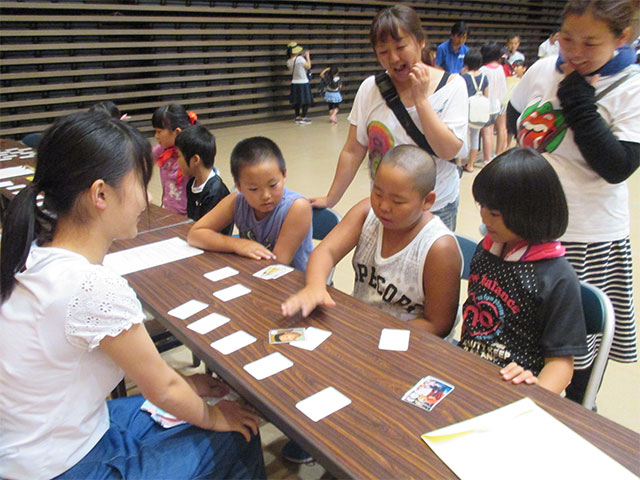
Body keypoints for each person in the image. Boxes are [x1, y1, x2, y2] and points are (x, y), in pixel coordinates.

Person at [0, 112, 265, 479]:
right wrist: (214, 417)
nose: (148, 197)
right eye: (141, 183)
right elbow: (165, 388)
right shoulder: (91, 286)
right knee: (239, 434)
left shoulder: (30, 253)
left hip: (42, 443)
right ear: (100, 194)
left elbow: (161, 381)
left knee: (191, 403)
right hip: (64, 466)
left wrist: (187, 386)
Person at [508, 0, 639, 404]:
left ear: (623, 38)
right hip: (527, 230)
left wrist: (580, 102)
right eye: (566, 38)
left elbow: (617, 166)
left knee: (574, 362)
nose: (574, 51)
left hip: (586, 239)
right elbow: (515, 120)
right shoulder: (543, 69)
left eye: (590, 42)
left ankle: (576, 426)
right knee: (523, 348)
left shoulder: (631, 86)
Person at [310, 5, 468, 232]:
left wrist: (421, 100)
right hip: (384, 207)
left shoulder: (452, 87)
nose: (393, 58)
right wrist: (331, 198)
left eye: (401, 46)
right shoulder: (370, 89)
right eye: (383, 51)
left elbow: (448, 151)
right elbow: (354, 149)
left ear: (420, 41)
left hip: (435, 208)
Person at [283, 145, 462, 339]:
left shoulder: (439, 248)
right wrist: (315, 286)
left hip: (409, 342)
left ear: (427, 201)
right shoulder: (365, 213)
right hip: (362, 328)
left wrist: (375, 331)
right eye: (377, 193)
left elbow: (438, 324)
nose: (383, 206)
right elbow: (326, 252)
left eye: (398, 201)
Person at [459, 148, 587, 394]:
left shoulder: (556, 277)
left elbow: (561, 365)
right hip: (470, 372)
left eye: (494, 213)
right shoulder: (487, 250)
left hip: (516, 387)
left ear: (530, 212)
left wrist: (536, 391)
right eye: (482, 207)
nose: (484, 218)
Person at [188, 136, 313, 272]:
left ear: (284, 175)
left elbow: (276, 265)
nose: (266, 195)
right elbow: (195, 234)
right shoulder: (236, 201)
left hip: (290, 283)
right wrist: (237, 244)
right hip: (253, 275)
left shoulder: (297, 207)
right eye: (253, 189)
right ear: (239, 186)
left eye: (273, 185)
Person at [175, 124, 232, 227]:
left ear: (195, 160)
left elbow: (210, 231)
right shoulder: (191, 184)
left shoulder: (215, 193)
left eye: (179, 156)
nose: (177, 161)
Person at [151, 103, 195, 215]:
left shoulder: (191, 154)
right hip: (169, 211)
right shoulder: (161, 149)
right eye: (155, 131)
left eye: (159, 131)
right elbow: (143, 162)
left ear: (177, 132)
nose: (156, 136)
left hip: (188, 215)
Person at [461, 49, 490, 173]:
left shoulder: (463, 77)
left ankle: (459, 162)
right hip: (478, 112)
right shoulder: (484, 77)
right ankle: (471, 164)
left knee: (462, 136)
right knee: (475, 137)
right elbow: (486, 96)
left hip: (465, 110)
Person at [479, 41, 508, 162]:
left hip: (486, 106)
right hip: (498, 103)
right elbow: (503, 88)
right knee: (501, 128)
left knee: (488, 132)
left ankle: (487, 159)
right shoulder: (500, 69)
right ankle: (499, 153)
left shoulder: (483, 69)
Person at [286, 42, 313, 125]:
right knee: (306, 101)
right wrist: (308, 56)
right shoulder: (300, 59)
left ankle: (297, 117)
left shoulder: (289, 61)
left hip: (294, 82)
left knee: (296, 101)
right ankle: (303, 116)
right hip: (303, 82)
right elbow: (308, 66)